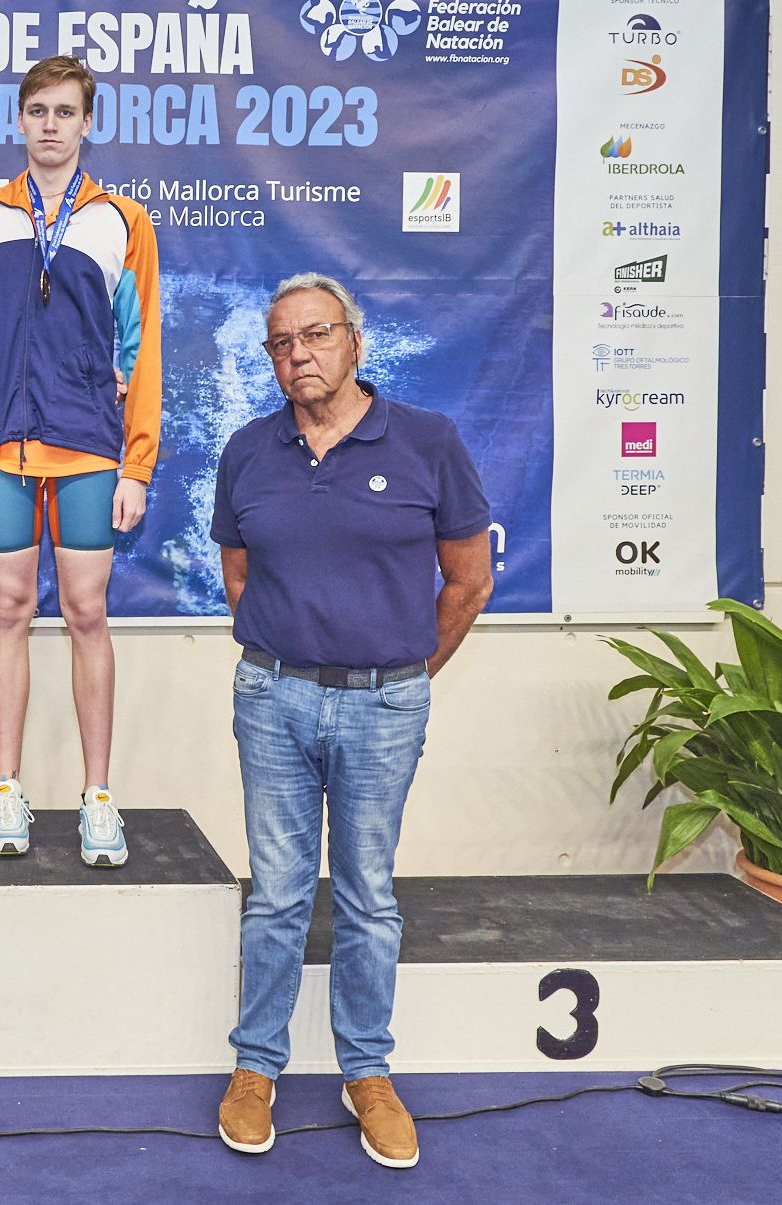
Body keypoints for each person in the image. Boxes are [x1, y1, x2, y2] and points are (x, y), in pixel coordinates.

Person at [211, 274, 494, 1169]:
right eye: (282, 343)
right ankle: (256, 1067)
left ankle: (366, 1072)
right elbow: (239, 574)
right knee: (278, 893)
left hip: (385, 705)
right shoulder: (247, 451)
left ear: (355, 341)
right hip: (273, 699)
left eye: (317, 334)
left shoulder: (428, 441)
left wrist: (400, 672)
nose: (299, 354)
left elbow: (470, 581)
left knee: (368, 894)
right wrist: (289, 656)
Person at [0, 55, 162, 866]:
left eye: (65, 111)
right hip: (2, 444)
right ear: (19, 120)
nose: (50, 125)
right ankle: (6, 790)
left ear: (87, 122)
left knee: (86, 613)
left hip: (86, 444)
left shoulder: (122, 220)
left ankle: (98, 796)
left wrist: (137, 465)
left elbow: (143, 346)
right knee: (9, 611)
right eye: (38, 110)